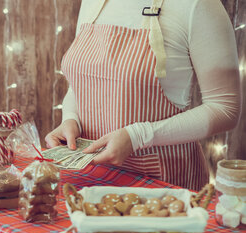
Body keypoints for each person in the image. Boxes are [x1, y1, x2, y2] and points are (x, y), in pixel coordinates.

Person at [45, 0, 242, 190]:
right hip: (88, 175)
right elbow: (79, 83)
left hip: (161, 183)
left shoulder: (197, 5)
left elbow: (225, 108)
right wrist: (71, 119)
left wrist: (139, 136)